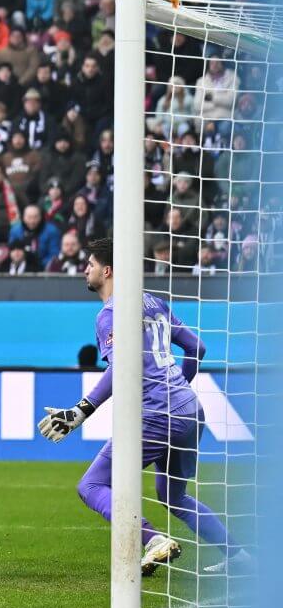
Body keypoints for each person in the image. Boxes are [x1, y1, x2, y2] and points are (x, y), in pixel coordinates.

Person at [39, 238, 250, 576]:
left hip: (156, 414)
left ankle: (153, 540)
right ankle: (238, 557)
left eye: (90, 264)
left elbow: (120, 366)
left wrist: (81, 410)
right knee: (174, 496)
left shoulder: (110, 314)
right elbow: (197, 347)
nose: (85, 270)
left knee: (91, 486)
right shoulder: (154, 302)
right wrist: (177, 388)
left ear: (107, 271)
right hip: (189, 409)